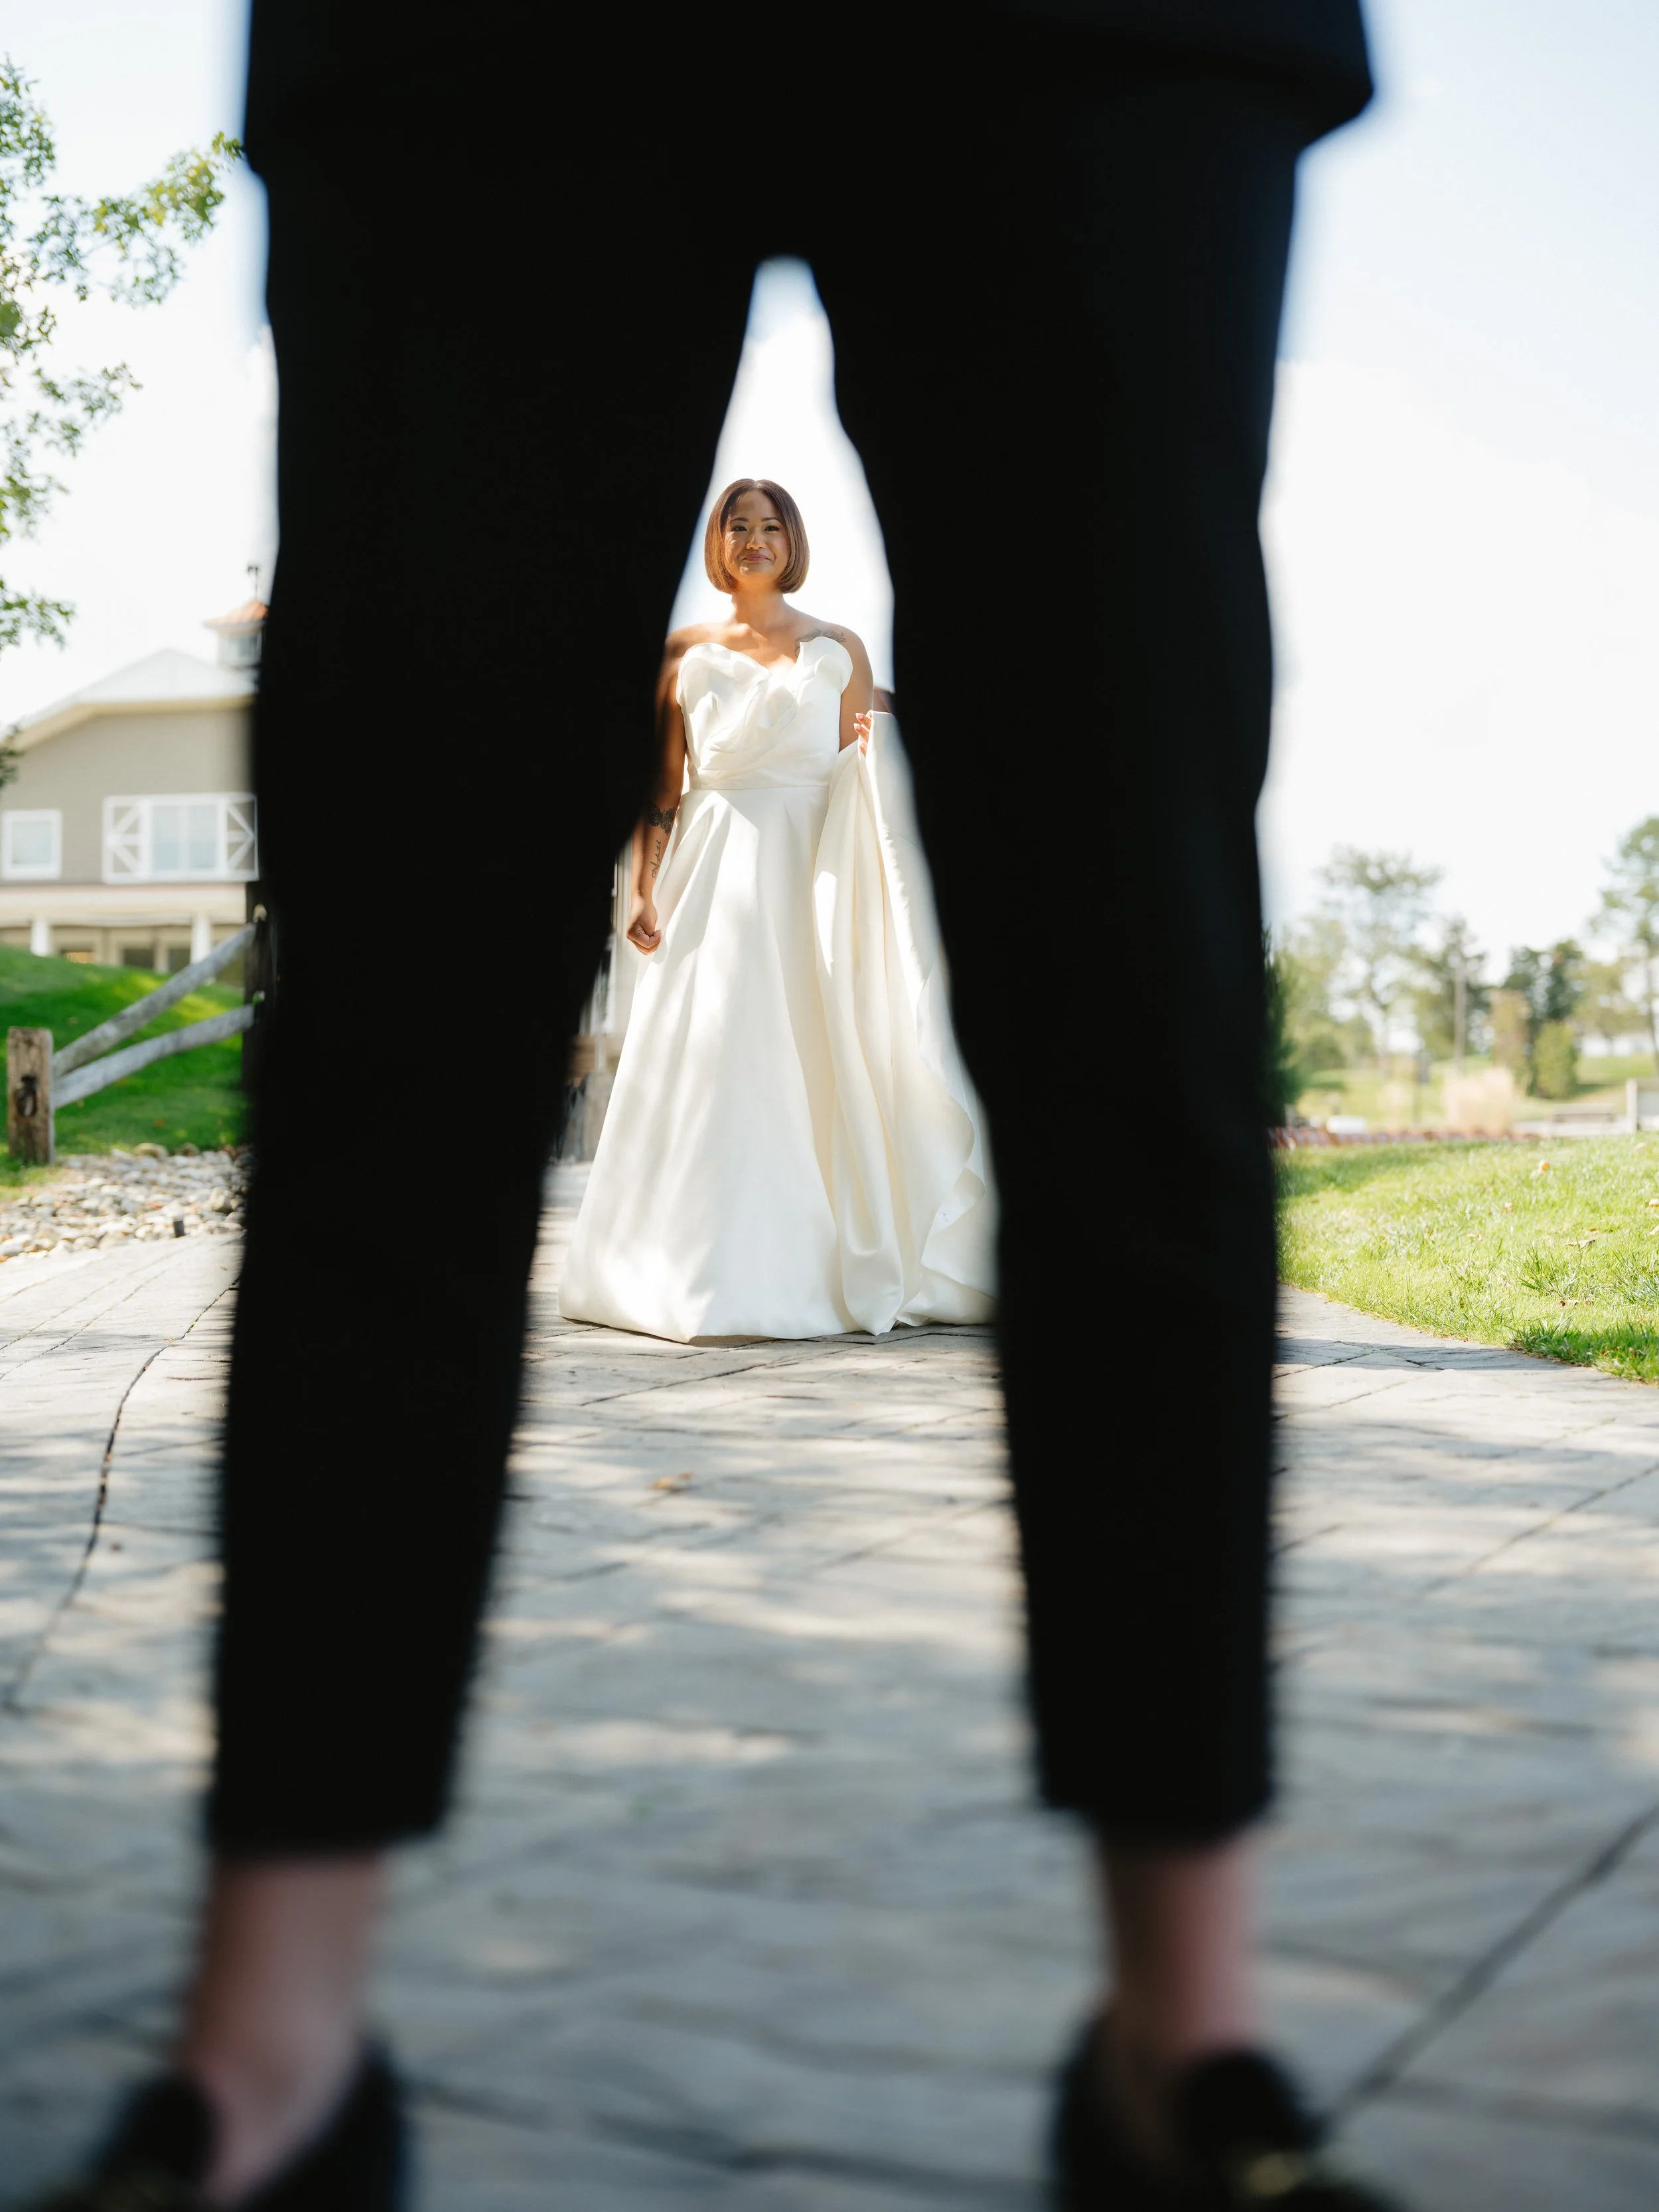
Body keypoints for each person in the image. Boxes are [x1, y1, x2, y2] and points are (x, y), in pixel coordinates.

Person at [34, 4, 1401, 2209]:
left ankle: (1192, 2042)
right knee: (409, 950)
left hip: (1095, 39)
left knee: (1128, 921)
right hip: (487, 43)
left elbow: (873, 796)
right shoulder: (713, 655)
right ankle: (264, 2051)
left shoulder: (823, 654)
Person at [559, 475, 997, 1343]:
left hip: (815, 874)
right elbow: (665, 788)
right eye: (739, 525)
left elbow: (862, 777)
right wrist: (644, 886)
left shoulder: (840, 648)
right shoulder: (681, 653)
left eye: (771, 526)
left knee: (817, 1046)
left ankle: (827, 1256)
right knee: (721, 1049)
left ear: (792, 541)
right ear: (719, 543)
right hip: (713, 868)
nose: (755, 539)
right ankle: (698, 1261)